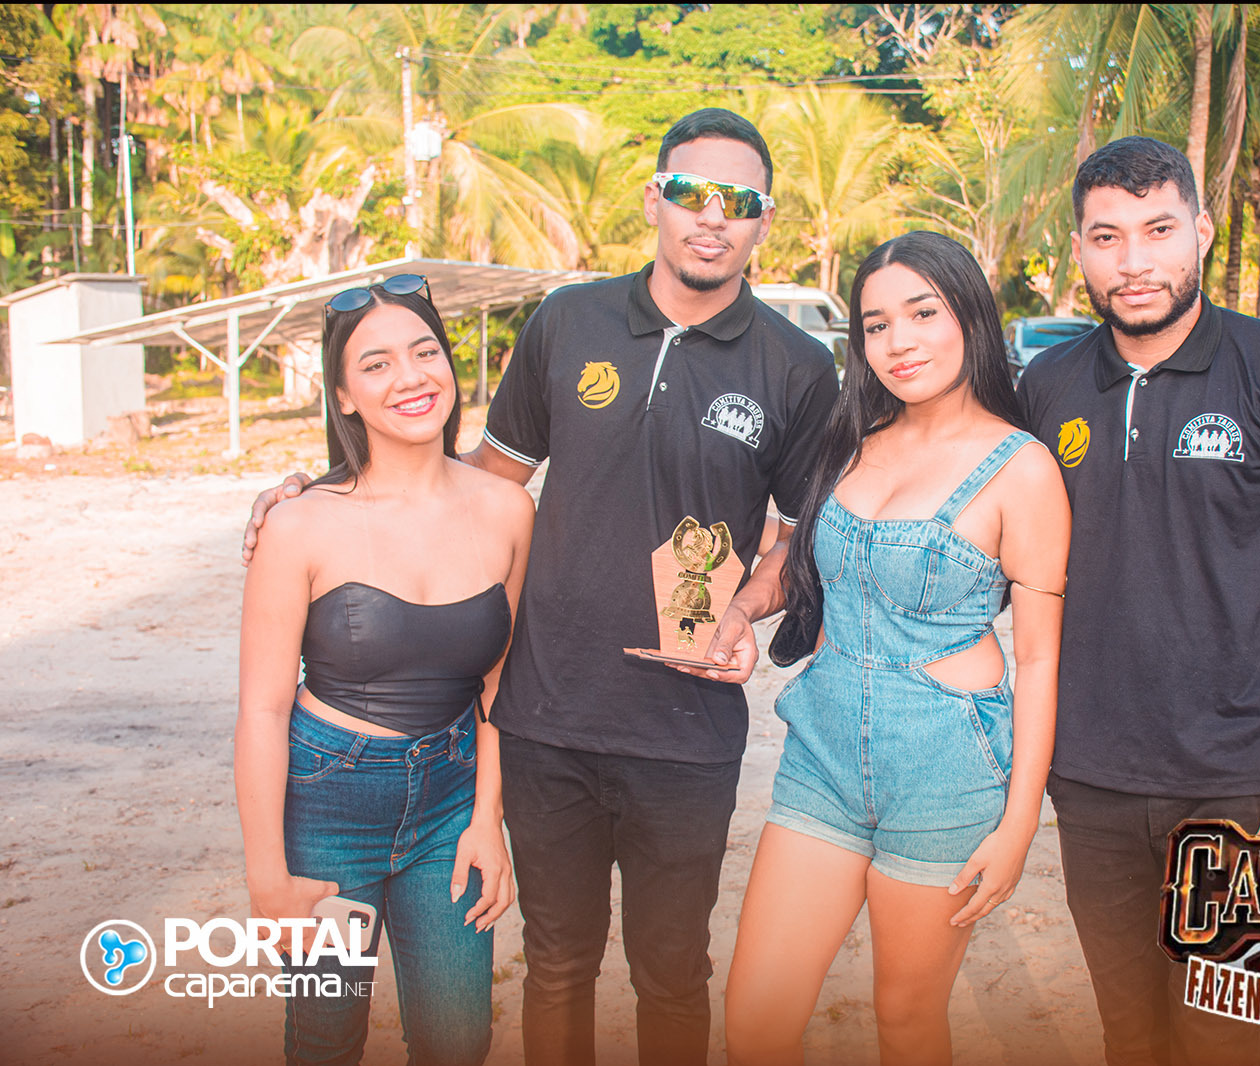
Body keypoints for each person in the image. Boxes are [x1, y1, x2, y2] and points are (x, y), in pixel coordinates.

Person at [243, 109, 839, 1066]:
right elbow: (478, 482)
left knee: (672, 973)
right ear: (653, 199)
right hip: (543, 721)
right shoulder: (568, 322)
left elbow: (801, 533)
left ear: (765, 219)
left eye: (739, 201)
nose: (712, 217)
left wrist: (740, 609)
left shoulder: (799, 366)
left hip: (685, 731)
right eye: (691, 192)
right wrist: (322, 492)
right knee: (557, 966)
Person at [1016, 136, 1260, 1066]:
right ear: (1078, 249)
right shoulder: (1045, 386)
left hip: (1239, 777)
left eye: (1158, 230)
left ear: (1202, 232)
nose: (1133, 262)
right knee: (1128, 1033)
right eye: (1106, 237)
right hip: (1089, 773)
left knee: (1220, 1041)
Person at [723, 231, 1070, 1066]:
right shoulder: (852, 439)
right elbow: (797, 562)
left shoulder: (1021, 469)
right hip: (822, 750)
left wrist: (1019, 822)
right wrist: (738, 609)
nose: (898, 342)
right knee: (754, 1022)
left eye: (922, 313)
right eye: (875, 325)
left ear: (969, 316)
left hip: (944, 762)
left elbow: (1038, 660)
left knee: (906, 1022)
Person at [237, 274, 526, 1066]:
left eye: (425, 352)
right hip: (327, 803)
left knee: (459, 1041)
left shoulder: (507, 509)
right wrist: (268, 880)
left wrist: (487, 821)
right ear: (343, 396)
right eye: (376, 364)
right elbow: (262, 710)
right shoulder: (298, 525)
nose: (410, 377)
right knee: (327, 1038)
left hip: (450, 802)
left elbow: (498, 684)